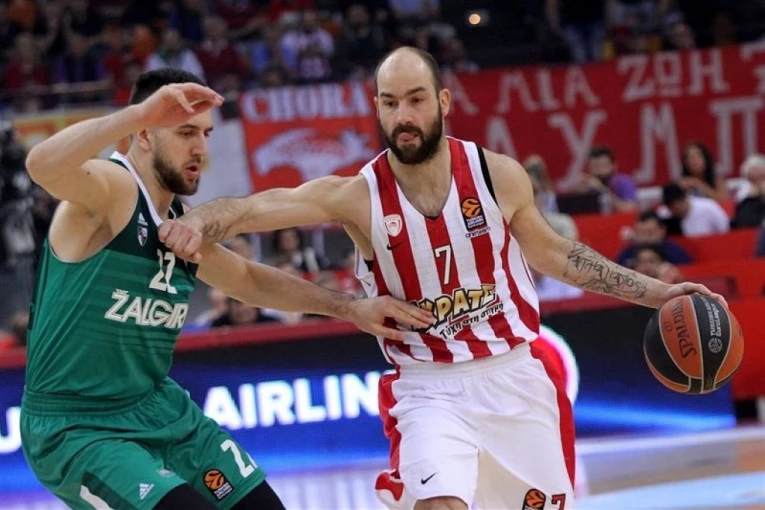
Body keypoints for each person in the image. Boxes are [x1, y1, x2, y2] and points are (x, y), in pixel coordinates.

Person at [159, 48, 726, 510]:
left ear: (443, 102)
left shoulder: (496, 175)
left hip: (514, 378)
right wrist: (197, 221)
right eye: (390, 103)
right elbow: (257, 207)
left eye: (415, 99)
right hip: (427, 386)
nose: (403, 116)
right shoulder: (357, 195)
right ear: (377, 109)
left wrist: (658, 292)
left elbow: (557, 254)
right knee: (440, 504)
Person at [20, 68, 432, 510]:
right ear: (144, 135)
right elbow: (41, 165)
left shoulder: (179, 221)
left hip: (157, 408)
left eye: (205, 134)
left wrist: (350, 308)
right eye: (185, 132)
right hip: (77, 427)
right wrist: (138, 112)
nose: (200, 148)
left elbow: (248, 279)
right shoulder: (111, 190)